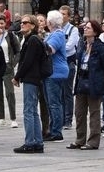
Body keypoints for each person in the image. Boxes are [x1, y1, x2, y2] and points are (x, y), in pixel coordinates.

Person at [67, 20, 104, 151]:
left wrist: (102, 83)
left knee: (94, 113)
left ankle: (93, 141)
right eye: (85, 28)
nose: (85, 29)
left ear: (95, 31)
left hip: (94, 83)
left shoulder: (100, 48)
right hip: (82, 81)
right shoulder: (82, 45)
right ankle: (79, 139)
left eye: (88, 28)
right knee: (79, 112)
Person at [12, 14, 46, 154]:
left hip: (31, 78)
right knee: (32, 111)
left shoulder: (32, 40)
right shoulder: (31, 39)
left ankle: (30, 142)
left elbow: (27, 61)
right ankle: (37, 142)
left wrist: (17, 76)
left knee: (28, 111)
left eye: (25, 22)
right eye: (21, 22)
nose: (22, 24)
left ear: (32, 25)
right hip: (33, 78)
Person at [43, 9, 68, 143]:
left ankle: (57, 132)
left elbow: (50, 50)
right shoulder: (52, 34)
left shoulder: (57, 35)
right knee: (50, 102)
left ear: (50, 22)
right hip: (51, 71)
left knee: (54, 103)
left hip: (55, 72)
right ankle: (53, 129)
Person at [0, 13, 20, 129]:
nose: (0, 25)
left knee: (10, 93)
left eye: (2, 23)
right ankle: (1, 118)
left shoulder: (10, 35)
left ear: (5, 24)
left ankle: (13, 118)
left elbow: (18, 51)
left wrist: (13, 63)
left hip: (7, 67)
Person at [60, 5, 80, 130]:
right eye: (60, 14)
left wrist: (57, 47)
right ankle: (60, 117)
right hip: (58, 62)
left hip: (68, 62)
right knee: (59, 91)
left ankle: (68, 119)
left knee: (67, 92)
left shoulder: (73, 30)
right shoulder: (56, 29)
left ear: (69, 17)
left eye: (64, 14)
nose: (61, 16)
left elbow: (70, 46)